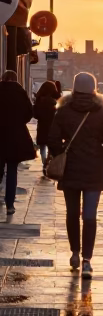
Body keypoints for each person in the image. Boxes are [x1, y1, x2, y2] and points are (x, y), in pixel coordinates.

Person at [48, 72, 103, 275]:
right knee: (89, 216)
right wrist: (99, 157)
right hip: (94, 172)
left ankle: (75, 252)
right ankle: (87, 259)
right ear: (94, 89)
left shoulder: (64, 111)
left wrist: (61, 154)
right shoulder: (101, 113)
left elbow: (52, 139)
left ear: (75, 89)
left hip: (70, 171)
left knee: (71, 213)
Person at [0, 69, 36, 214]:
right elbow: (29, 113)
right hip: (15, 136)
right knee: (12, 170)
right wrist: (18, 122)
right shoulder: (20, 92)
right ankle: (10, 204)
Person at [32, 80, 60, 175]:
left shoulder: (40, 100)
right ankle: (48, 162)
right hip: (52, 127)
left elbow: (35, 115)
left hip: (42, 126)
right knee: (51, 147)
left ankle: (44, 163)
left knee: (42, 147)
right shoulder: (54, 102)